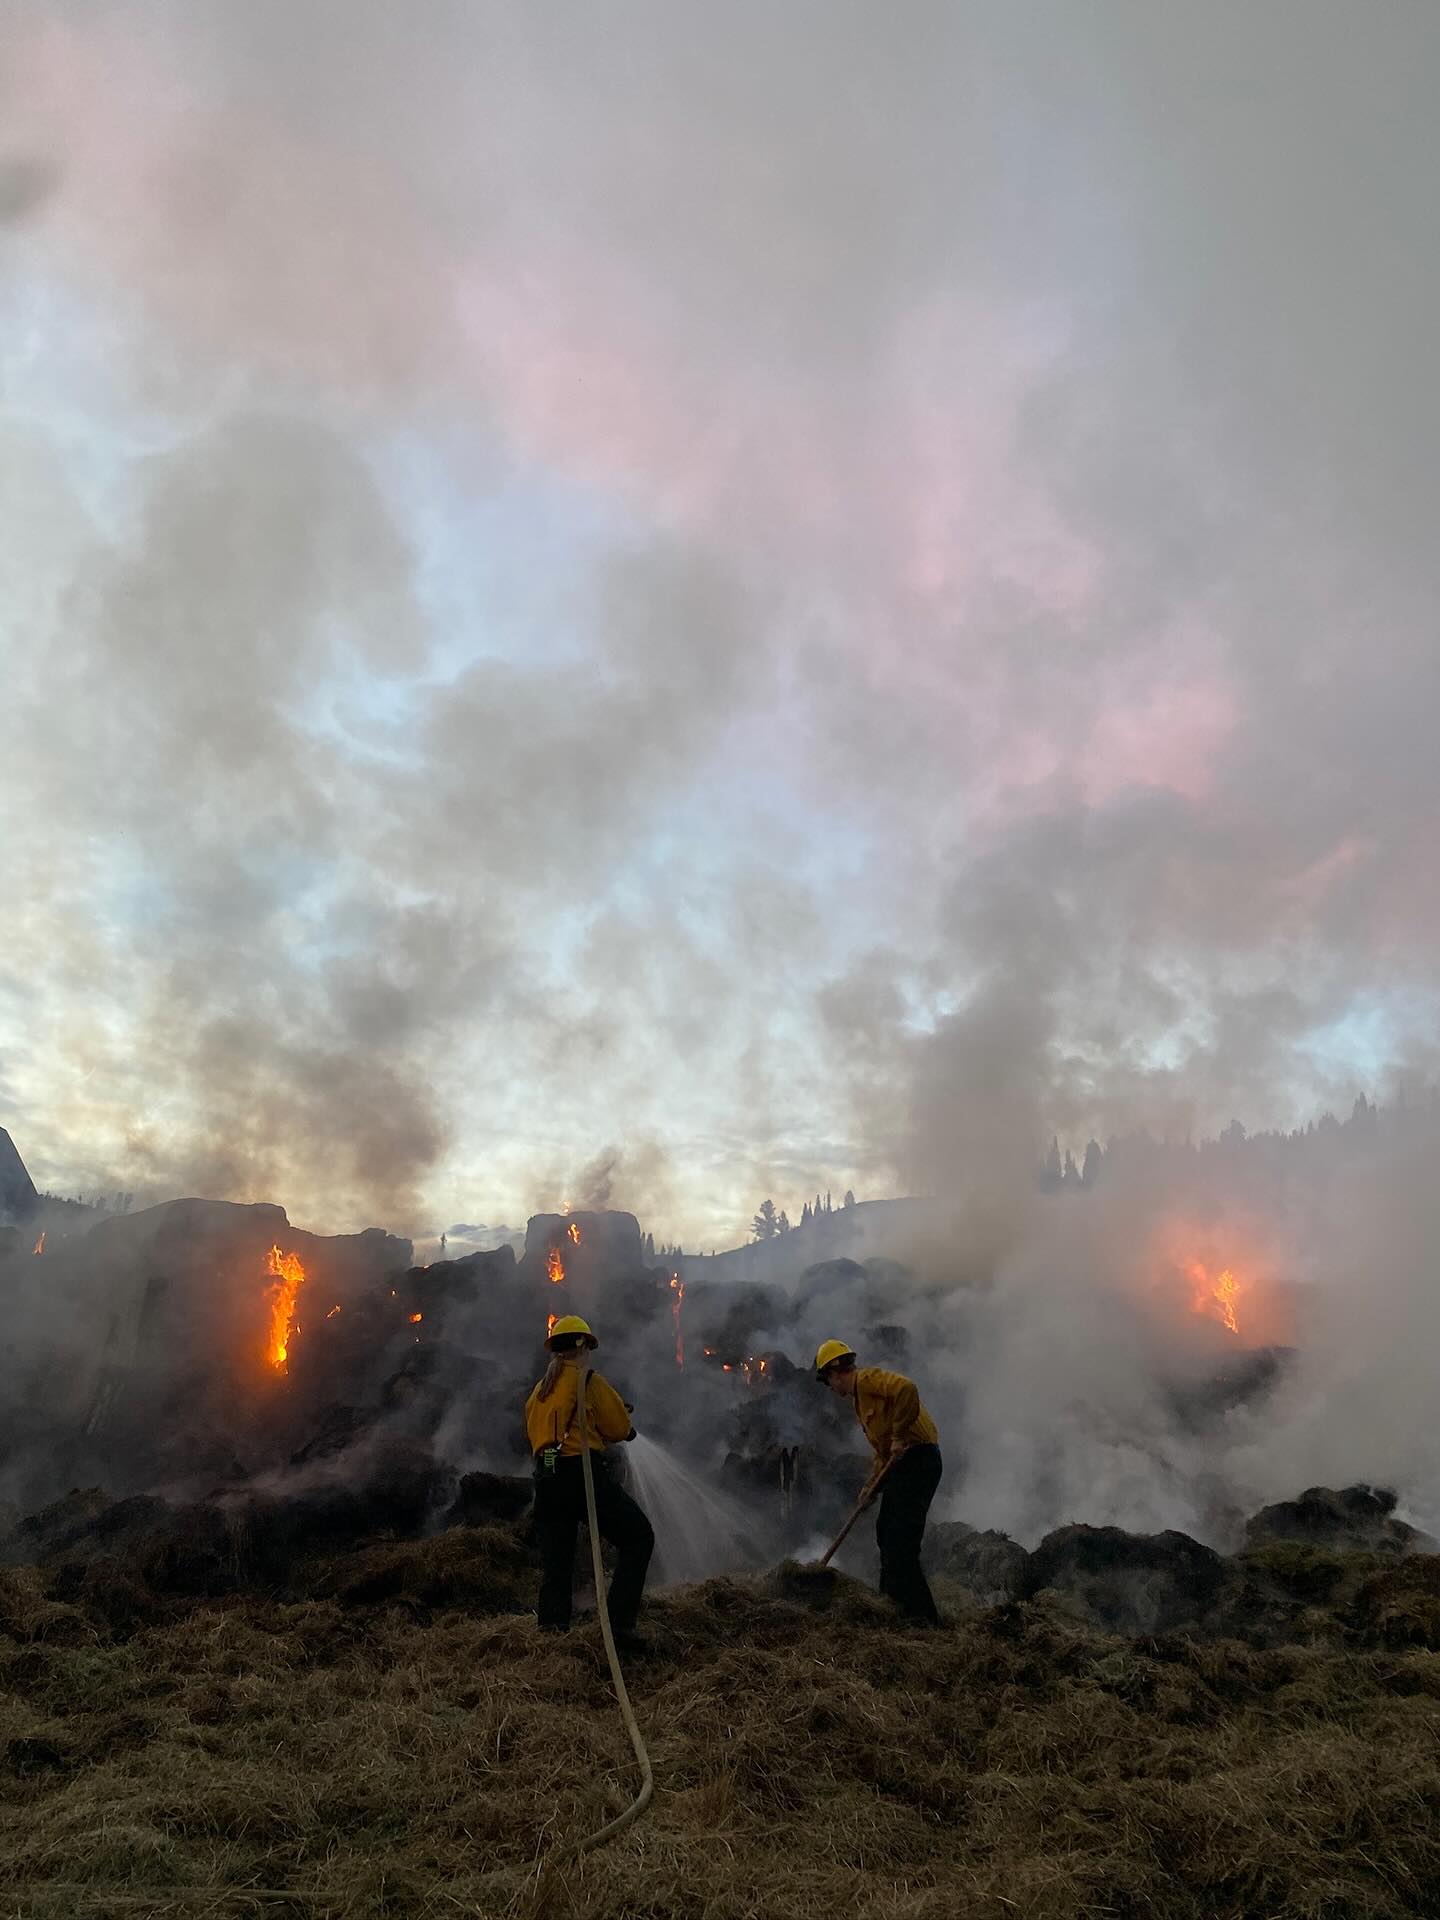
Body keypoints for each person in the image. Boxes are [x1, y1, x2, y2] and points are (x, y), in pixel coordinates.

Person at [525, 1315, 654, 1640]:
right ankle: (618, 1628)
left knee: (557, 1565)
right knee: (639, 1537)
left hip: (547, 1477)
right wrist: (621, 1421)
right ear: (582, 1347)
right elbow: (619, 1429)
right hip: (580, 1474)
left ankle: (551, 1635)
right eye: (589, 1348)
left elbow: (540, 1434)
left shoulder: (539, 1391)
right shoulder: (588, 1381)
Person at [815, 1339, 942, 1625]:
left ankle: (922, 1619)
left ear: (836, 1373)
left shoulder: (868, 1380)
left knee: (900, 1542)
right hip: (903, 1465)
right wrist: (870, 1488)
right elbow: (883, 1453)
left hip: (919, 1460)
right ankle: (893, 1606)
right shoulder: (861, 1401)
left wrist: (899, 1435)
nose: (831, 1389)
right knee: (886, 1534)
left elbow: (907, 1389)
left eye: (828, 1382)